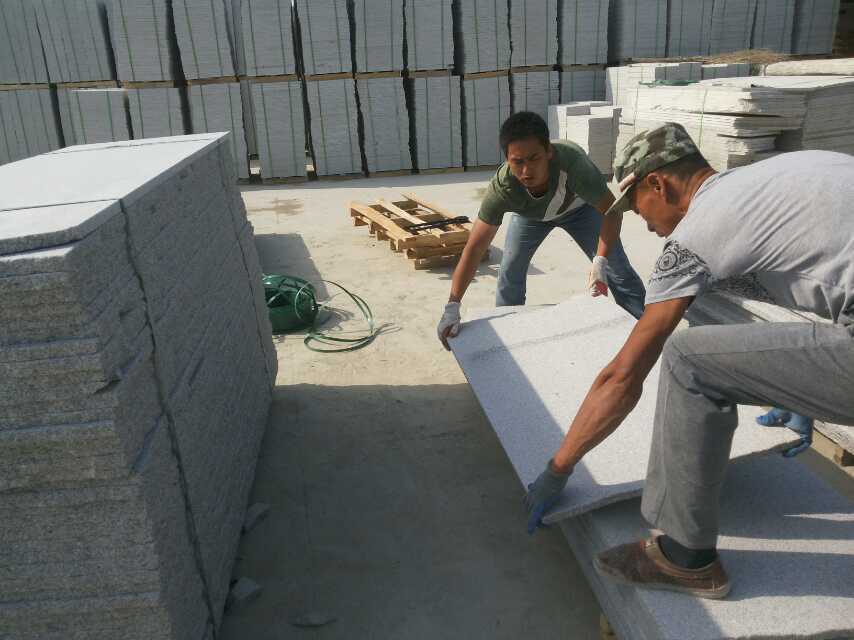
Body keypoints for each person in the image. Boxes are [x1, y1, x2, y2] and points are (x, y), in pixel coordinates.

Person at [523, 122, 854, 599]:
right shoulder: (775, 177)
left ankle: (683, 557)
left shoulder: (698, 231)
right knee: (703, 313)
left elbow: (623, 376)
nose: (646, 224)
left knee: (686, 358)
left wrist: (559, 468)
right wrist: (796, 381)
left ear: (658, 183)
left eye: (638, 208)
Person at [437, 111, 646, 349]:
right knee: (510, 272)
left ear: (549, 152)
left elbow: (612, 211)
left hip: (578, 210)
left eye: (534, 158)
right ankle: (509, 340)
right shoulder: (502, 189)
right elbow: (474, 248)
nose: (526, 171)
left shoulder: (574, 165)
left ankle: (643, 331)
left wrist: (600, 260)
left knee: (617, 269)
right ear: (507, 159)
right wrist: (452, 305)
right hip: (531, 217)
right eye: (517, 162)